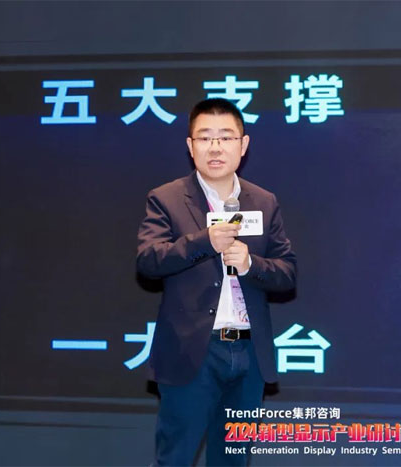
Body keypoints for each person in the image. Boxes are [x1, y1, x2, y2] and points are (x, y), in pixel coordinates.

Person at [136, 98, 297, 466]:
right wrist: (204, 242)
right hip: (191, 351)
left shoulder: (264, 201)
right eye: (205, 137)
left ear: (243, 145)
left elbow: (287, 272)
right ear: (190, 146)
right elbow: (149, 260)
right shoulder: (166, 199)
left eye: (226, 137)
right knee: (175, 458)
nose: (215, 147)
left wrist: (251, 264)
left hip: (248, 353)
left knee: (233, 460)